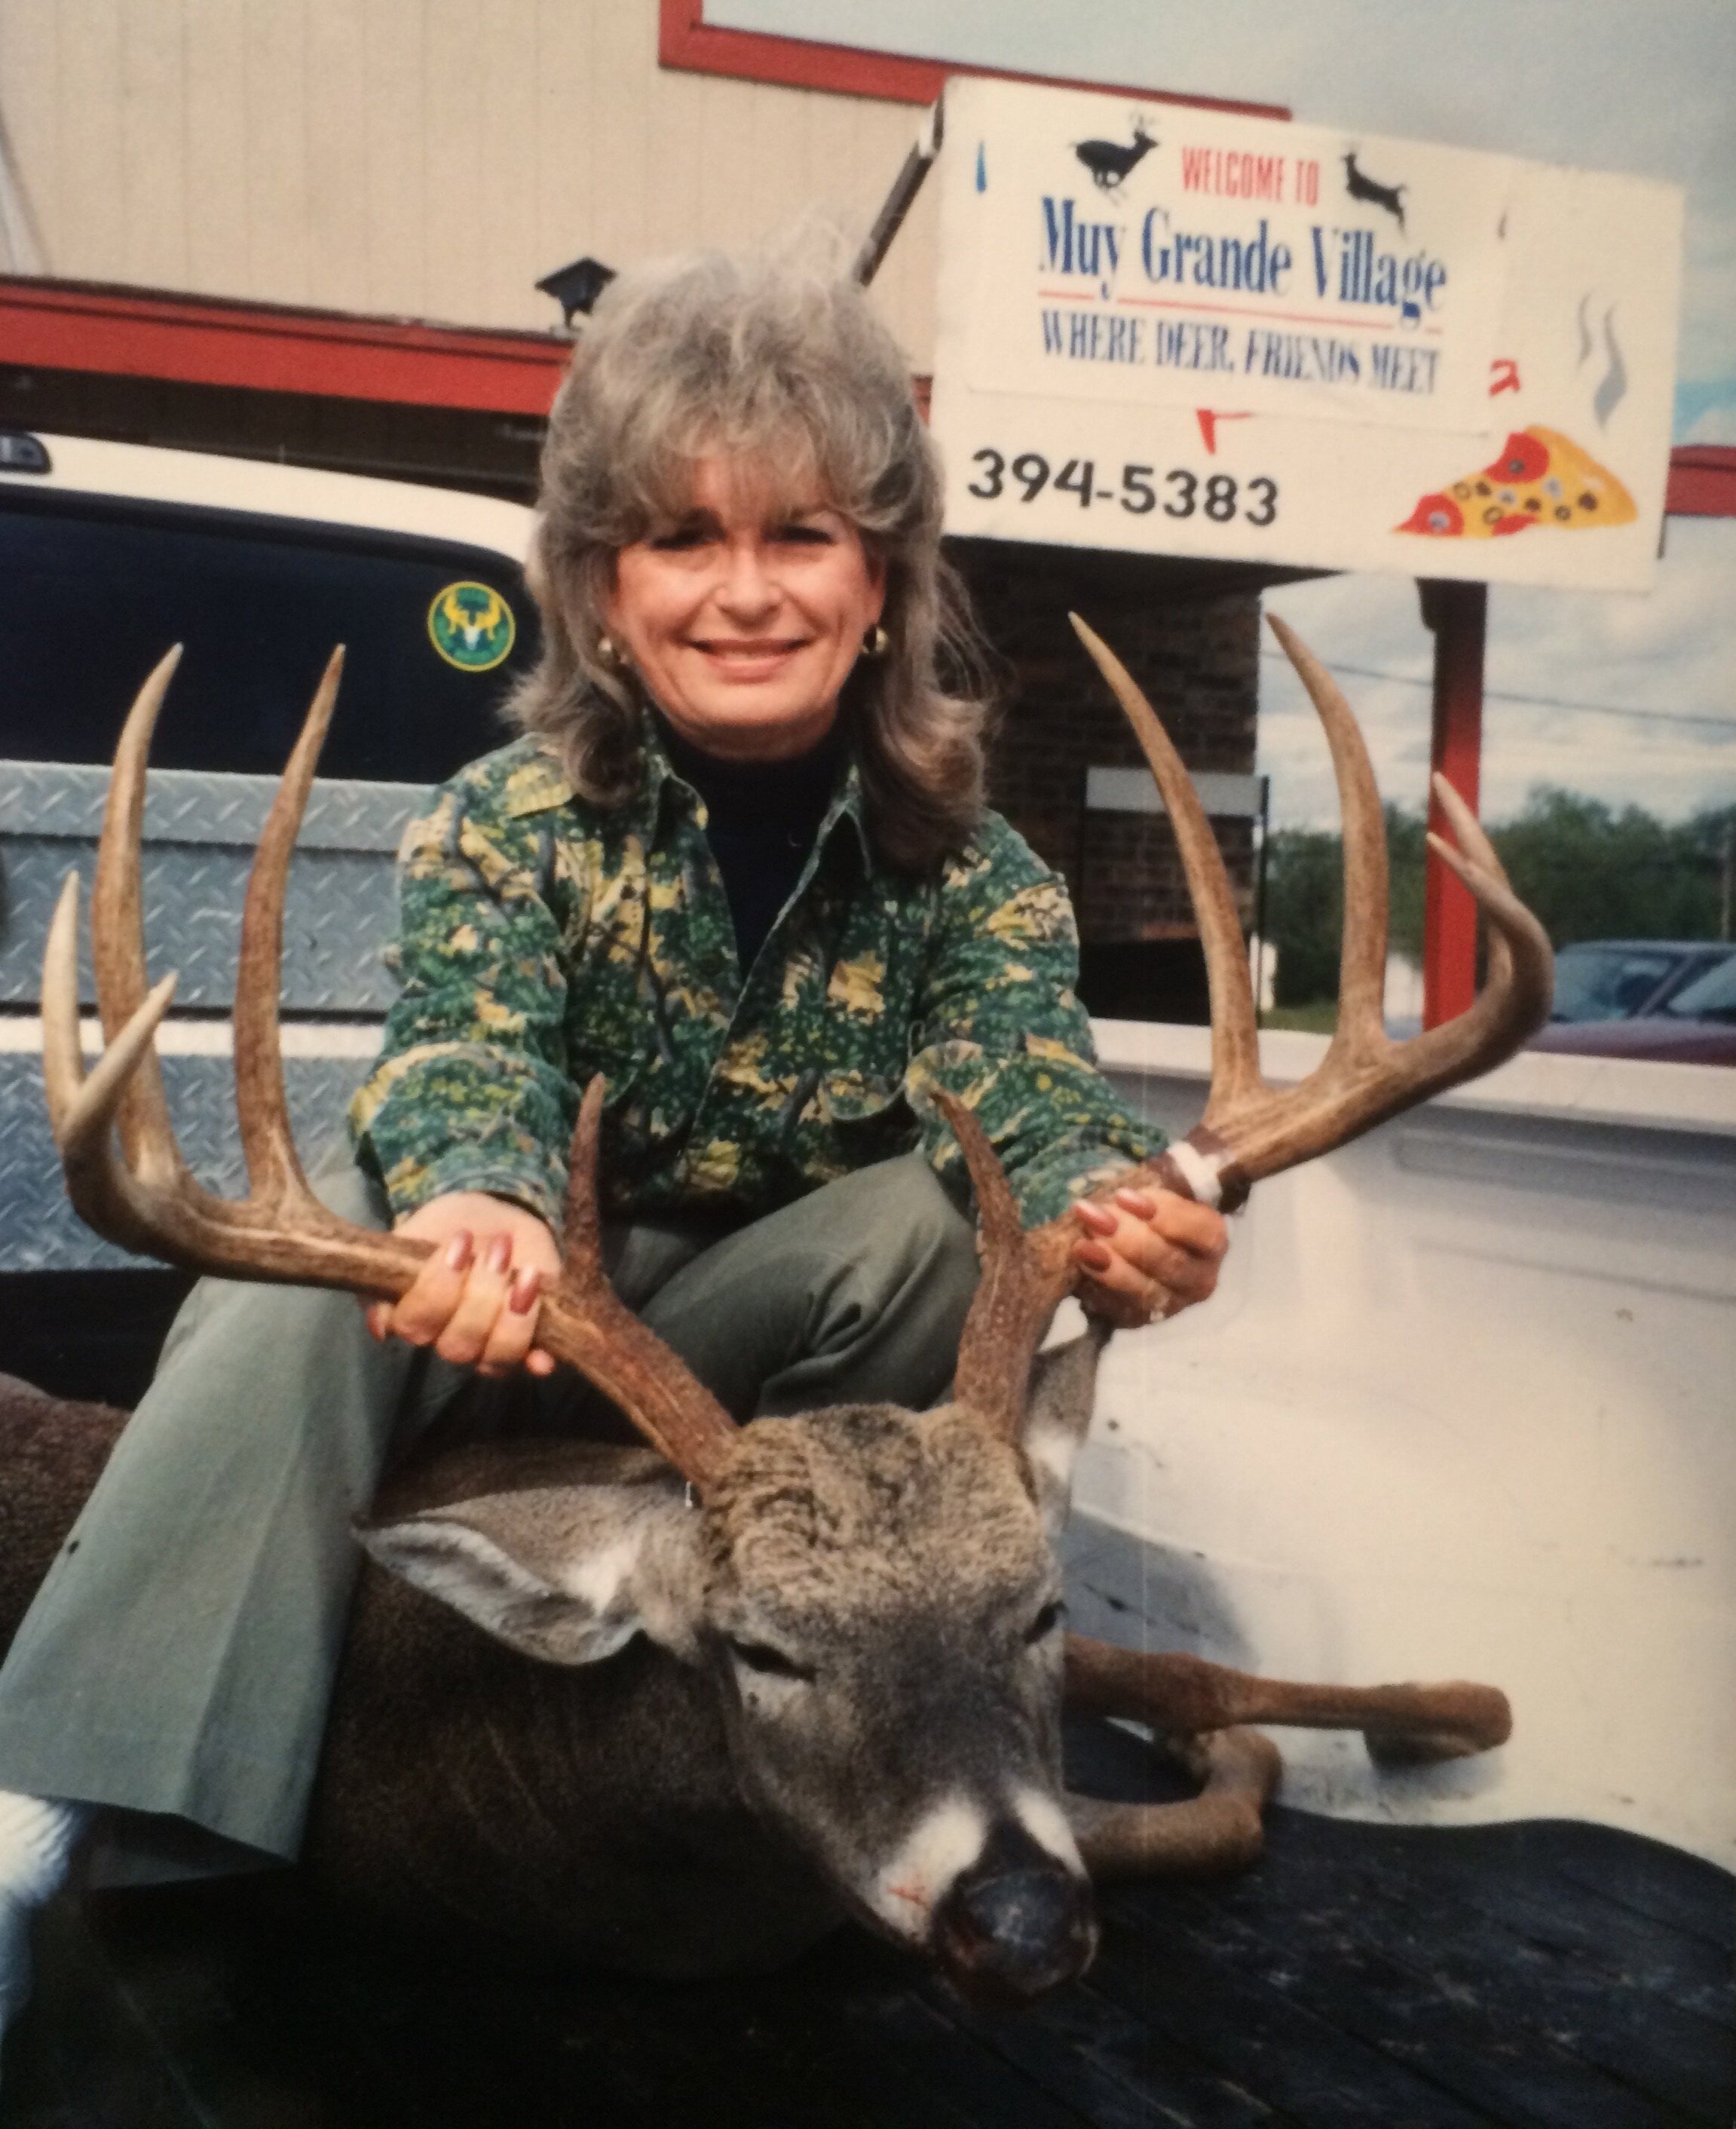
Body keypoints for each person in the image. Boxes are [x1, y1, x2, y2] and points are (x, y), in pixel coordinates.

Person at [0, 247, 1227, 2046]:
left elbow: (1023, 1093)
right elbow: (463, 1046)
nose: (746, 589)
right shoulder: (508, 822)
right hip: (499, 1338)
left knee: (940, 1222)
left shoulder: (977, 874)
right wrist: (477, 1197)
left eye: (802, 534)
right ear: (599, 589)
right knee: (322, 1239)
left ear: (882, 585)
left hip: (731, 1419)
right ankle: (47, 1823)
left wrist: (1112, 1213)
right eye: (679, 538)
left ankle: (793, 1729)